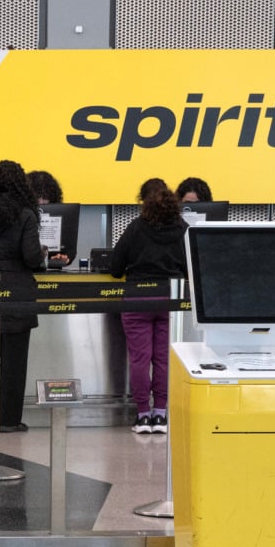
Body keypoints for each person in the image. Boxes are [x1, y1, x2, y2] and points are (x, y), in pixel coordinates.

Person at [0, 159, 51, 434]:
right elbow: (30, 257)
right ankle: (8, 420)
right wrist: (42, 255)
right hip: (17, 293)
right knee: (14, 362)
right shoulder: (25, 214)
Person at [107, 177, 187, 433]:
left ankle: (142, 415)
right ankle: (161, 414)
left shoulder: (136, 227)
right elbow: (190, 267)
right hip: (169, 300)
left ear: (145, 204)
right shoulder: (183, 229)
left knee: (140, 358)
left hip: (137, 298)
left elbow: (115, 268)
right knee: (163, 358)